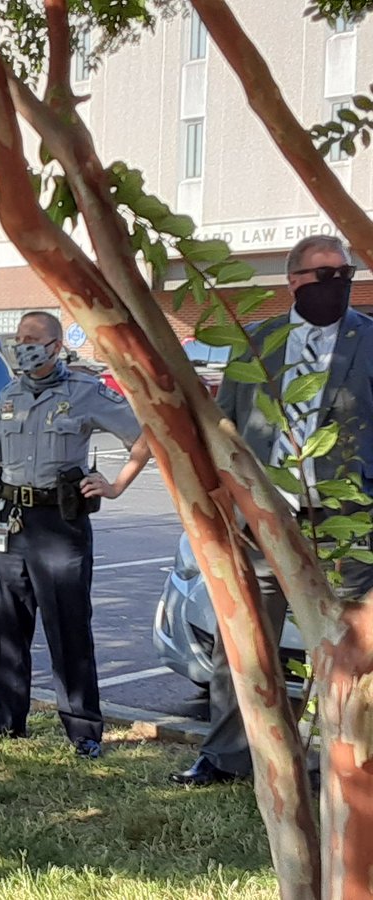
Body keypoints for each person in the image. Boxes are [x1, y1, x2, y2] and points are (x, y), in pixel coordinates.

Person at [171, 234, 373, 787]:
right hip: (266, 520)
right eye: (324, 275)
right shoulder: (257, 343)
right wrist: (222, 497)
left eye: (344, 274)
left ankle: (338, 761)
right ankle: (226, 755)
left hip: (343, 525)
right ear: (294, 281)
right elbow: (226, 424)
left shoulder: (368, 340)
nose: (337, 284)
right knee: (244, 640)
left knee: (348, 648)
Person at [0, 311, 151, 759]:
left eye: (32, 338)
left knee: (68, 627)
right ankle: (5, 719)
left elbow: (145, 438)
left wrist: (115, 486)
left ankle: (83, 730)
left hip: (60, 525)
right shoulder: (9, 394)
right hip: (10, 522)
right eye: (19, 337)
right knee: (5, 625)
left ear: (55, 345)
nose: (23, 345)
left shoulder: (85, 392)